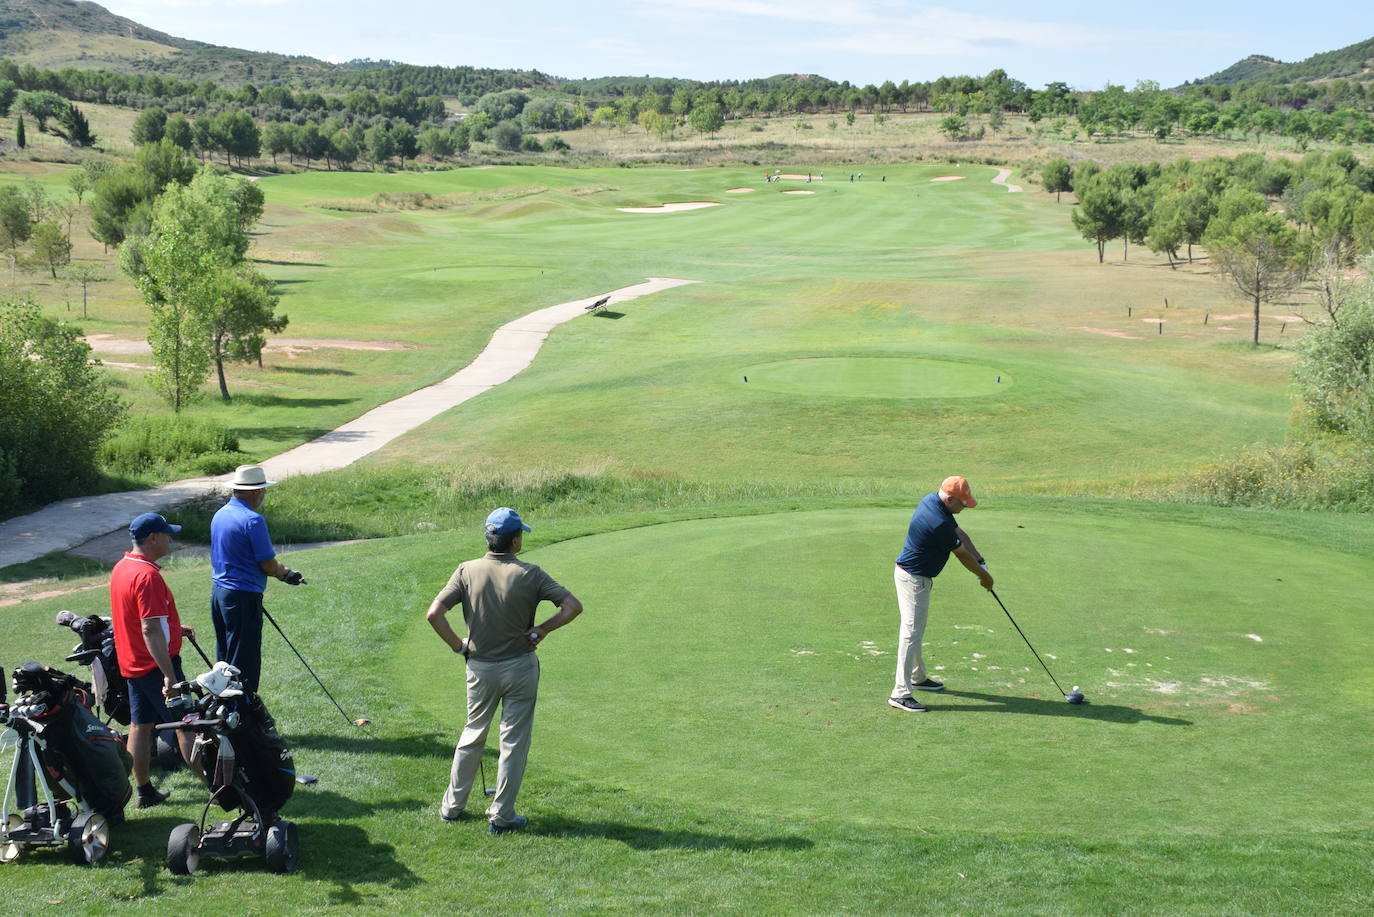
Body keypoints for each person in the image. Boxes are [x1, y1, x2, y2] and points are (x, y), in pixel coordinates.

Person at [425, 507, 583, 833]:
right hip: (519, 668)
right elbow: (572, 606)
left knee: (472, 735)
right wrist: (542, 630)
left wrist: (460, 646)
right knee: (513, 742)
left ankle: (452, 808)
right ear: (515, 540)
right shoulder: (531, 574)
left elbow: (434, 614)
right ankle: (502, 815)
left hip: (480, 668)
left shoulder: (466, 571)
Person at [109, 512, 201, 807]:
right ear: (152, 538)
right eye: (166, 534)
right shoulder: (147, 576)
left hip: (133, 664)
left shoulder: (122, 567)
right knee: (186, 724)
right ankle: (217, 787)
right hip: (156, 666)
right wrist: (170, 677)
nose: (170, 539)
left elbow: (142, 621)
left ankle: (145, 791)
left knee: (140, 726)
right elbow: (149, 628)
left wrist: (174, 629)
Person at [889, 476, 994, 712]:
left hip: (915, 576)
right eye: (963, 504)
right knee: (911, 632)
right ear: (950, 499)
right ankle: (900, 693)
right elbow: (962, 555)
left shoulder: (933, 501)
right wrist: (984, 577)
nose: (965, 508)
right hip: (914, 579)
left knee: (915, 629)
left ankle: (918, 677)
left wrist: (981, 561)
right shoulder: (936, 521)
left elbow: (960, 534)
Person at [210, 465, 304, 694]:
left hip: (219, 593)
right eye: (263, 490)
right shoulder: (253, 520)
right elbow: (267, 564)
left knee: (225, 658)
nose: (264, 494)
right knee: (244, 662)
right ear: (255, 492)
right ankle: (243, 720)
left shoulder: (220, 515)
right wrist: (286, 574)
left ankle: (222, 714)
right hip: (242, 596)